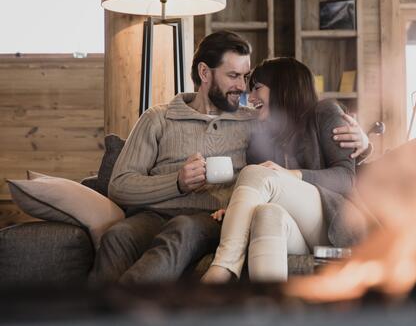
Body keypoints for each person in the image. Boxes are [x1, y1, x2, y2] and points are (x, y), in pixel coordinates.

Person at [90, 31, 369, 284]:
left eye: (248, 79)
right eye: (234, 76)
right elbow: (120, 185)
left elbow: (339, 169)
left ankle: (127, 309)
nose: (244, 88)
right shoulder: (158, 118)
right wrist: (177, 182)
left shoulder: (255, 121)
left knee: (186, 226)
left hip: (208, 218)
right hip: (156, 213)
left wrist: (366, 144)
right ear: (204, 72)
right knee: (117, 236)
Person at [202, 57, 369, 283]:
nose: (250, 98)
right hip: (301, 233)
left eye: (257, 88)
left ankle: (222, 269)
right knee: (267, 214)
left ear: (283, 87)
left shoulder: (325, 111)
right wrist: (237, 209)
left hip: (340, 226)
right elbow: (265, 192)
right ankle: (269, 309)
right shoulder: (267, 135)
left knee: (255, 172)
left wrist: (291, 174)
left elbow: (346, 178)